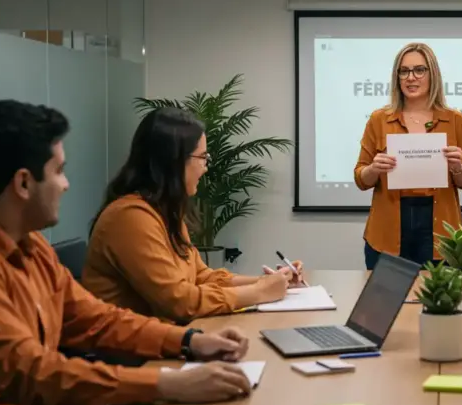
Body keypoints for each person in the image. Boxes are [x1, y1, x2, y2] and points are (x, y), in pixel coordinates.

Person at [0, 100, 261, 405]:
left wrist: (189, 341)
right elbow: (29, 373)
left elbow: (97, 319)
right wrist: (167, 384)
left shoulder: (31, 246)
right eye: (59, 171)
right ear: (24, 183)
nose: (66, 184)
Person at [83, 108, 302, 324]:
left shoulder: (164, 212)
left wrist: (270, 282)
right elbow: (180, 302)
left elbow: (201, 277)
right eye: (202, 157)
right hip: (134, 355)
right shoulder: (130, 218)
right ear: (173, 161)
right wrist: (259, 292)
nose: (205, 168)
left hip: (165, 339)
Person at [355, 42, 462, 269]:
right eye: (404, 71)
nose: (411, 77)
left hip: (439, 222)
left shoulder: (454, 119)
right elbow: (361, 178)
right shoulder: (379, 119)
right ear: (397, 77)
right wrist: (374, 168)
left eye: (419, 70)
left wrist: (458, 167)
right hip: (389, 225)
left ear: (433, 75)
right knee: (388, 301)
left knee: (437, 301)